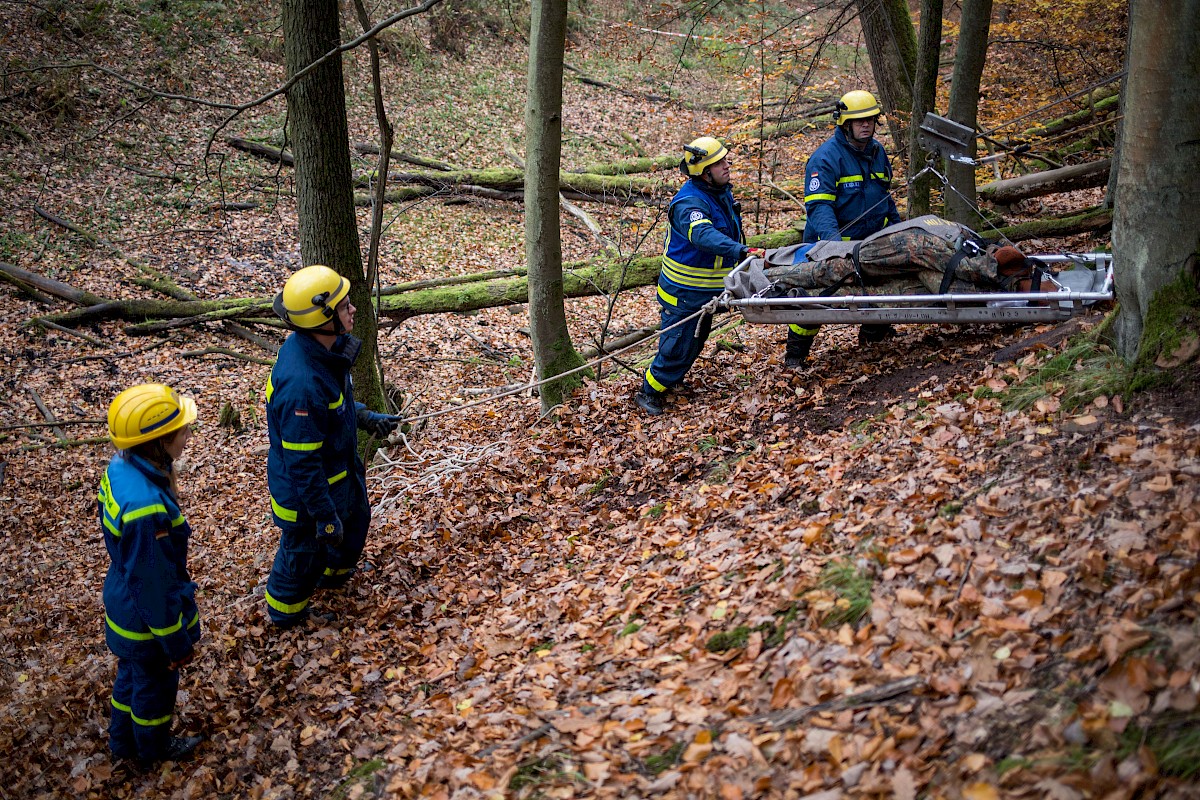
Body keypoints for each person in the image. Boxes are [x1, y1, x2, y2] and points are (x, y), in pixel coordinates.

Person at [263, 265, 398, 628]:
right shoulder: (301, 384)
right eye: (344, 306)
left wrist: (366, 417)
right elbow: (303, 463)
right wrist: (323, 516)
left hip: (339, 474)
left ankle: (334, 580)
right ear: (321, 318)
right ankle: (285, 616)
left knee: (354, 524)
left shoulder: (326, 350)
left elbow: (334, 407)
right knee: (303, 556)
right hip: (307, 496)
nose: (353, 310)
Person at [100, 383, 204, 766]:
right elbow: (154, 587)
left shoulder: (120, 468)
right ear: (158, 441)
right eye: (182, 430)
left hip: (124, 602)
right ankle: (152, 752)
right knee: (154, 689)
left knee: (130, 678)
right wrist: (175, 643)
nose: (188, 436)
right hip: (146, 622)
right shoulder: (145, 509)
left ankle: (122, 745)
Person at [634, 136, 764, 416]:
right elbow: (702, 235)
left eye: (725, 160)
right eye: (719, 163)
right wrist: (740, 250)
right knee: (677, 347)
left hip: (708, 289)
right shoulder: (689, 203)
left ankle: (670, 380)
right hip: (684, 292)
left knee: (695, 340)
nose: (727, 165)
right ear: (705, 173)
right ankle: (649, 392)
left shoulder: (720, 191)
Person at [787, 89, 902, 366]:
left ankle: (874, 337)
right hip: (830, 245)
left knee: (884, 290)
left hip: (871, 242)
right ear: (845, 124)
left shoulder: (877, 152)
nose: (866, 125)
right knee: (816, 302)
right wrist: (835, 247)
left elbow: (884, 196)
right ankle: (795, 356)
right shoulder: (825, 158)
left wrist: (897, 228)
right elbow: (819, 208)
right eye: (859, 121)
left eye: (870, 120)